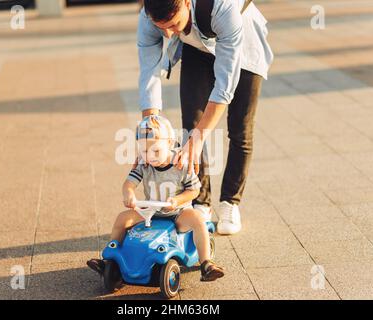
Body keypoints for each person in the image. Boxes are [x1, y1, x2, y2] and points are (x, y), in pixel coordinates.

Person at [137, 0, 273, 234]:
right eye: (162, 27)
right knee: (191, 126)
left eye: (173, 24)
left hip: (244, 44)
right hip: (198, 48)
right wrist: (148, 134)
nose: (169, 34)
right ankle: (201, 202)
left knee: (240, 130)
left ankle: (230, 202)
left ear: (186, 3)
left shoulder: (222, 8)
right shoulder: (148, 17)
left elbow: (224, 87)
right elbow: (149, 73)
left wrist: (199, 138)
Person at [87, 115, 225, 282]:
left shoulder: (180, 164)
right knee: (122, 219)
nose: (150, 156)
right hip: (150, 212)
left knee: (198, 219)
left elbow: (194, 190)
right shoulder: (144, 165)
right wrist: (128, 193)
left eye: (156, 151)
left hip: (178, 213)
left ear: (169, 143)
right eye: (144, 151)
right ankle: (110, 258)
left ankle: (206, 264)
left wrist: (177, 201)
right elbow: (129, 183)